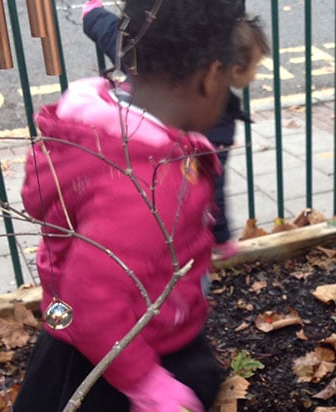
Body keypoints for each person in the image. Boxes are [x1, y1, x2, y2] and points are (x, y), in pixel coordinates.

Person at [12, 1, 246, 412]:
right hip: (124, 353)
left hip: (141, 328)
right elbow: (92, 305)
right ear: (210, 77)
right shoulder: (146, 186)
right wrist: (146, 385)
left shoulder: (120, 131)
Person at [82, 0, 270, 260]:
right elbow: (213, 184)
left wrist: (93, 15)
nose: (255, 76)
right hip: (177, 246)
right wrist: (222, 236)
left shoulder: (144, 62)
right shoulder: (215, 118)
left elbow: (111, 37)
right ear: (217, 74)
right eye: (255, 67)